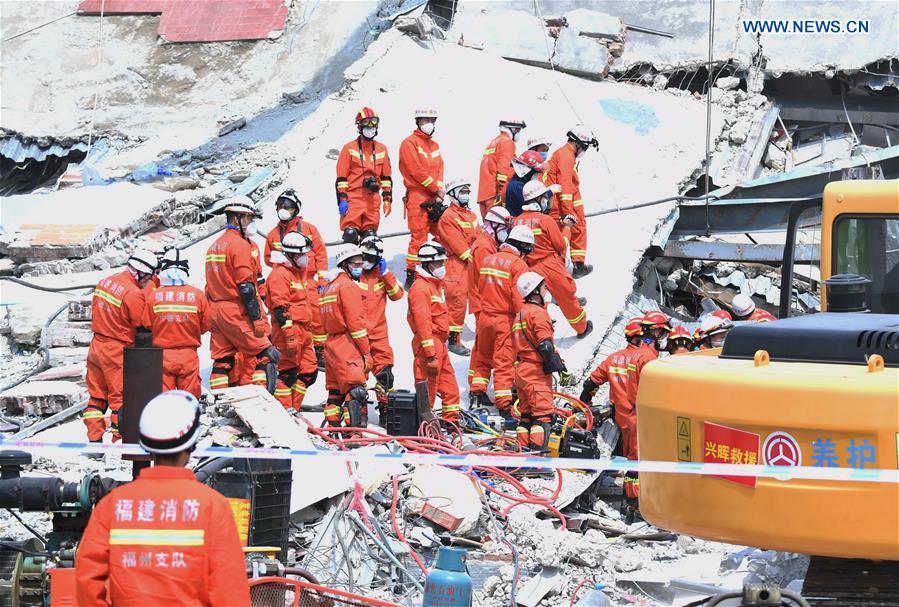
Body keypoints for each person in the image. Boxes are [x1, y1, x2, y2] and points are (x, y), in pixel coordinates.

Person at [76, 391, 251, 607]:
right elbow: (229, 590)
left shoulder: (113, 505)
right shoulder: (213, 506)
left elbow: (88, 579)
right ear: (191, 445)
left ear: (146, 445)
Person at [205, 196, 280, 394]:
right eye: (250, 218)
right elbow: (246, 287)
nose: (252, 222)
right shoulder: (239, 245)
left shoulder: (214, 246)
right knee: (266, 354)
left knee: (223, 359)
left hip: (216, 310)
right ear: (239, 217)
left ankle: (221, 400)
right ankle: (260, 400)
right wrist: (256, 319)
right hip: (236, 310)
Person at [579, 316, 648, 521]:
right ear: (640, 337)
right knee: (638, 464)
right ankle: (634, 507)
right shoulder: (645, 360)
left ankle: (632, 505)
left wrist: (584, 405)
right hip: (640, 418)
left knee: (632, 461)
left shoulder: (613, 359)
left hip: (622, 419)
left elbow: (590, 383)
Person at [83, 249, 155, 443]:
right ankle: (119, 441)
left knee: (97, 397)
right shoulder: (133, 294)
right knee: (121, 398)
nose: (148, 281)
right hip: (116, 350)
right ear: (140, 272)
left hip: (96, 346)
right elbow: (143, 324)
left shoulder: (105, 282)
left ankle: (94, 441)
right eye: (148, 277)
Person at [468, 225, 535, 421]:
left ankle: (477, 391)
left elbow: (480, 287)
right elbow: (517, 298)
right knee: (504, 363)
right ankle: (504, 404)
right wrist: (526, 320)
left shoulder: (489, 259)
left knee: (482, 357)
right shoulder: (518, 265)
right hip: (504, 320)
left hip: (484, 317)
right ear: (523, 246)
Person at [513, 181, 592, 339]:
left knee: (537, 303)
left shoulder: (517, 221)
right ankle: (581, 327)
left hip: (529, 269)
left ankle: (537, 335)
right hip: (550, 265)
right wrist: (567, 228)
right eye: (545, 198)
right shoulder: (545, 220)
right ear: (538, 199)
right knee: (567, 298)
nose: (547, 202)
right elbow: (561, 245)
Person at [263, 189, 329, 369]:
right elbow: (268, 258)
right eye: (281, 206)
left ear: (296, 209)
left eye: (288, 207)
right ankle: (288, 351)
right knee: (285, 315)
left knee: (315, 315)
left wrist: (322, 280)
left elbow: (321, 254)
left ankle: (319, 349)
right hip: (284, 281)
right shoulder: (273, 234)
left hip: (308, 279)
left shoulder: (309, 229)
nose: (283, 210)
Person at [143, 248, 209, 399]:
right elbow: (205, 325)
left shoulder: (154, 296)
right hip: (188, 356)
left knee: (165, 400)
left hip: (162, 356)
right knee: (190, 400)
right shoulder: (198, 295)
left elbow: (147, 324)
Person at [407, 242, 462, 421]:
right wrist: (430, 353)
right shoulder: (421, 288)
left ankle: (452, 422)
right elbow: (422, 322)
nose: (442, 266)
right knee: (428, 389)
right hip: (428, 344)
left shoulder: (433, 285)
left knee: (449, 386)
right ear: (427, 264)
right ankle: (424, 426)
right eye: (438, 263)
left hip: (439, 343)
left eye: (442, 262)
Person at [512, 272, 568, 450]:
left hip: (521, 370)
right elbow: (545, 346)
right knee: (542, 416)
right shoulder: (539, 313)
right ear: (535, 291)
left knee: (526, 416)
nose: (546, 290)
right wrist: (556, 364)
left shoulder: (520, 314)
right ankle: (538, 458)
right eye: (543, 287)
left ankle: (522, 454)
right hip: (535, 372)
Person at [319, 245, 372, 427]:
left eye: (361, 263)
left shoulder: (328, 287)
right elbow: (356, 324)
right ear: (345, 264)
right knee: (355, 390)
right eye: (356, 264)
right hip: (347, 345)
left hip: (331, 345)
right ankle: (353, 434)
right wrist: (366, 353)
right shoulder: (348, 286)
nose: (360, 267)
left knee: (335, 393)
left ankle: (333, 430)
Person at [266, 232, 318, 411]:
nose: (305, 257)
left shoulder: (297, 273)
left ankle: (293, 409)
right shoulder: (280, 274)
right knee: (287, 374)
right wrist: (289, 336)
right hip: (288, 331)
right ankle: (284, 411)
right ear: (291, 255)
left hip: (303, 330)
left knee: (309, 373)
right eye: (302, 254)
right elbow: (281, 308)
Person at [542, 125, 598, 279]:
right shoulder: (566, 156)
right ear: (578, 143)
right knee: (560, 238)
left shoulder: (566, 154)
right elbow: (565, 185)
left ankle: (578, 264)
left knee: (578, 229)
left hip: (562, 203)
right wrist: (568, 212)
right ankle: (561, 270)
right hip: (559, 206)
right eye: (585, 147)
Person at [399, 109, 445, 289]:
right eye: (425, 120)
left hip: (434, 196)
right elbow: (416, 171)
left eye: (432, 120)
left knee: (443, 232)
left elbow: (440, 168)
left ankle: (434, 265)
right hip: (417, 194)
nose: (429, 124)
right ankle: (412, 274)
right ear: (417, 122)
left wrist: (438, 192)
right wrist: (435, 188)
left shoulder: (434, 145)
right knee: (419, 236)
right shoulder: (409, 143)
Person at [358, 235, 404, 417]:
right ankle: (358, 413)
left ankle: (386, 412)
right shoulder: (353, 274)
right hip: (356, 336)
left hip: (378, 335)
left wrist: (386, 274)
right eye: (364, 257)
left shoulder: (382, 275)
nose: (366, 261)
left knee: (386, 376)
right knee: (357, 378)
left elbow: (397, 295)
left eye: (371, 258)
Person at [335, 108, 393, 244]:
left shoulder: (382, 149)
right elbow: (341, 178)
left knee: (370, 237)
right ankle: (349, 257)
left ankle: (368, 257)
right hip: (353, 197)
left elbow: (386, 178)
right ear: (359, 126)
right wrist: (342, 199)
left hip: (373, 199)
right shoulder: (349, 148)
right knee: (350, 235)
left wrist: (387, 199)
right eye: (367, 123)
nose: (371, 127)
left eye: (374, 123)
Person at [435, 179, 479, 356]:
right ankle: (453, 340)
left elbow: (480, 238)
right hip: (457, 265)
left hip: (474, 262)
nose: (466, 195)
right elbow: (459, 246)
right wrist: (477, 257)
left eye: (467, 191)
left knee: (481, 299)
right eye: (462, 192)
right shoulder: (448, 218)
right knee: (457, 302)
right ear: (452, 195)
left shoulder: (471, 215)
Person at [468, 206, 511, 323]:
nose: (505, 232)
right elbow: (487, 279)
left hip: (487, 302)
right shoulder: (483, 247)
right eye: (503, 228)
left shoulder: (490, 243)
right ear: (493, 225)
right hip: (484, 303)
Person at [476, 118, 526, 219]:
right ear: (512, 129)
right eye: (518, 130)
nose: (518, 133)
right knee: (500, 226)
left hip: (484, 194)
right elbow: (503, 170)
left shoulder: (493, 142)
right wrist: (501, 193)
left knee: (489, 227)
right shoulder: (507, 143)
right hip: (495, 195)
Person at [503, 150, 547, 217]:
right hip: (518, 220)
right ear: (528, 171)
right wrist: (550, 192)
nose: (537, 175)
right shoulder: (518, 186)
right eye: (536, 173)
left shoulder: (517, 182)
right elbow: (534, 203)